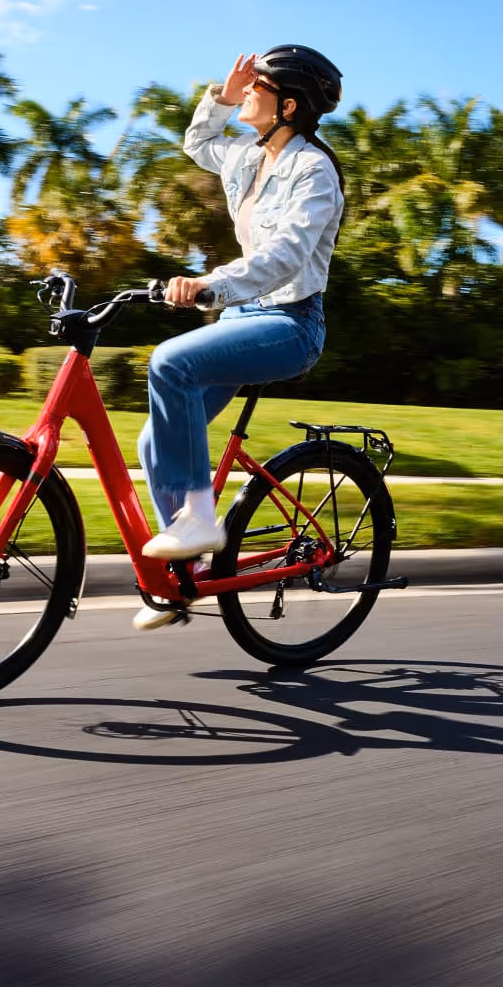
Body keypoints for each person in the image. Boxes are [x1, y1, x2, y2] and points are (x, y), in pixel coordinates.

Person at [133, 44, 346, 631]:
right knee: (155, 444)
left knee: (170, 363)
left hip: (289, 323)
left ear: (290, 105)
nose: (247, 93)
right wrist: (220, 99)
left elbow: (286, 256)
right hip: (240, 319)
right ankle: (183, 581)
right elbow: (198, 144)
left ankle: (199, 519)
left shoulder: (313, 169)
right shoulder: (247, 158)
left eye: (259, 88)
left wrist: (210, 283)